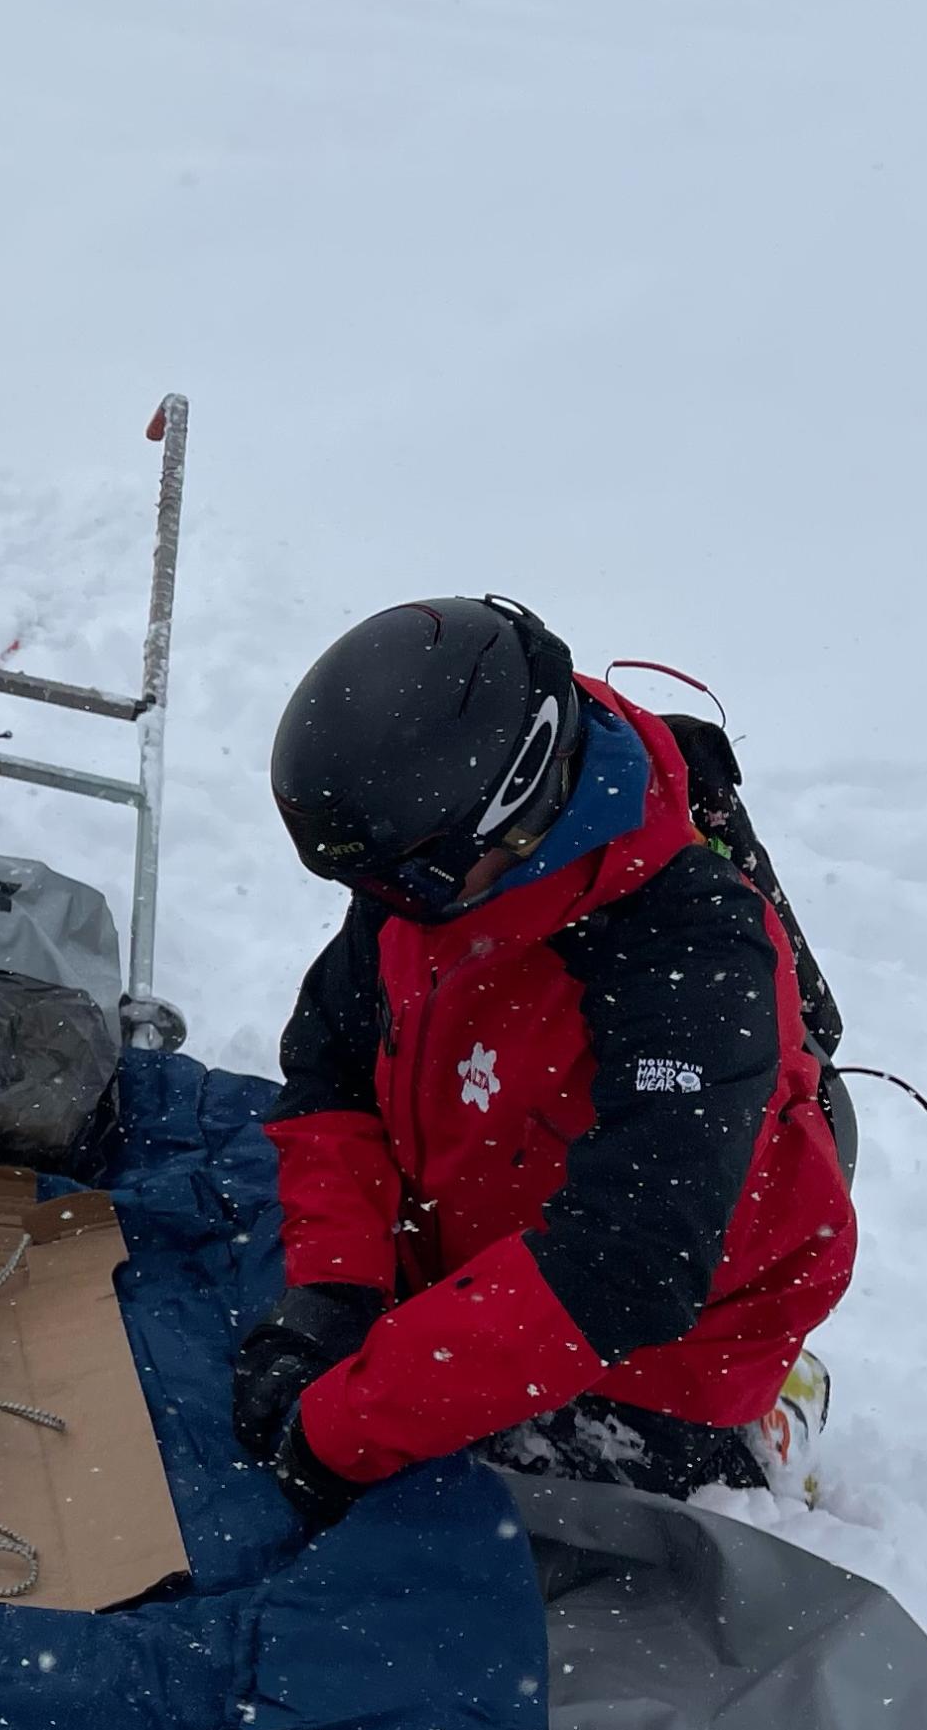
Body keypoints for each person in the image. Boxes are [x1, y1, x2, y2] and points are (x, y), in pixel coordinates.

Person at [230, 597, 855, 1520]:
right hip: (494, 1236)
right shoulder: (435, 868)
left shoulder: (688, 954)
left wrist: (355, 1424)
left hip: (668, 1332)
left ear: (519, 805)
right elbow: (332, 1070)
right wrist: (335, 1288)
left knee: (487, 1524)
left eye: (399, 877)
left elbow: (625, 1264)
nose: (380, 904)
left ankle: (754, 1429)